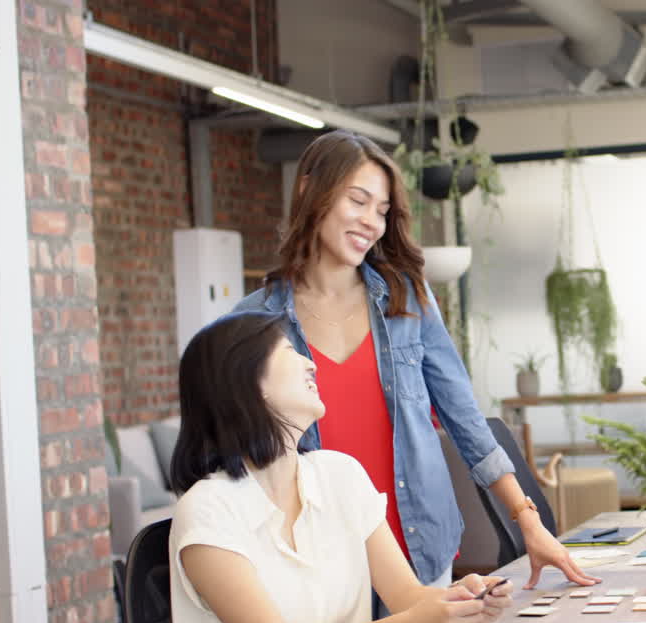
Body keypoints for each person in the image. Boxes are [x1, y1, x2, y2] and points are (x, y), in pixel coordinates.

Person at [233, 130, 597, 591]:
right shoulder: (254, 321)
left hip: (418, 543)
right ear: (309, 190)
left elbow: (463, 417)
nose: (371, 221)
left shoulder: (407, 300)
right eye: (358, 201)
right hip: (318, 556)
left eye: (382, 211)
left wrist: (527, 520)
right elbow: (238, 453)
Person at [168, 311, 514, 623]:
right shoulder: (209, 511)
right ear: (246, 382)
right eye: (289, 351)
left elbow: (406, 597)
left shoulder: (340, 474)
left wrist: (458, 601)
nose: (310, 362)